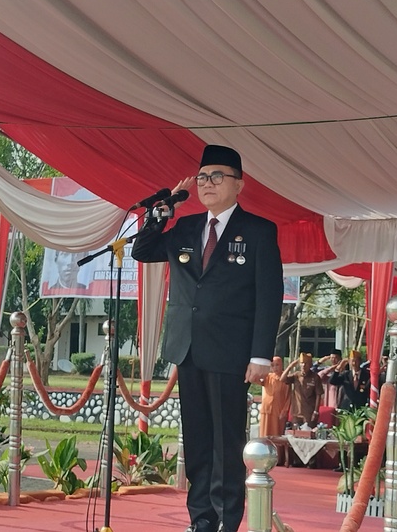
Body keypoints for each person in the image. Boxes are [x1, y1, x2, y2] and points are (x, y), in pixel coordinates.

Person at [132, 144, 283, 532]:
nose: (207, 184)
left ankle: (226, 520)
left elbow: (269, 296)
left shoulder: (259, 232)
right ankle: (201, 520)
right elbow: (142, 251)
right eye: (202, 177)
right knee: (198, 442)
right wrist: (166, 208)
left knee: (225, 443)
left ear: (239, 184)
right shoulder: (185, 227)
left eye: (217, 176)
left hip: (231, 352)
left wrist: (261, 355)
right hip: (188, 348)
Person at [285, 353, 323, 427]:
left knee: (308, 433)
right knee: (296, 434)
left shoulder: (315, 377)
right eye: (302, 363)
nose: (304, 365)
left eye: (306, 363)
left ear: (310, 365)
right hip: (297, 412)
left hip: (309, 413)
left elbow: (319, 395)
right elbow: (282, 379)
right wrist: (290, 366)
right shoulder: (296, 375)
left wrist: (316, 411)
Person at [259, 356, 294, 437]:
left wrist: (285, 411)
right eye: (272, 365)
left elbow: (289, 397)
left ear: (281, 365)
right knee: (264, 434)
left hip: (278, 410)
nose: (275, 367)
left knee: (276, 434)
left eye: (277, 365)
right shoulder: (268, 377)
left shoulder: (285, 379)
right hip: (266, 409)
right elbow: (256, 379)